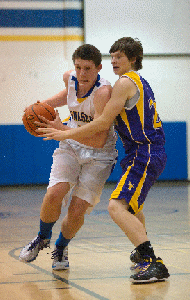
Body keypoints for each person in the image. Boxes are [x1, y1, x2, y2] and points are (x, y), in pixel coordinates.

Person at [37, 37, 170, 283]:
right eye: (113, 56)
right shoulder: (138, 81)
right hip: (140, 152)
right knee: (132, 208)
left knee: (115, 206)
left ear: (133, 60)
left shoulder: (123, 83)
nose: (115, 61)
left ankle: (151, 260)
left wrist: (63, 131)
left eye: (120, 57)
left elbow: (101, 123)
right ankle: (143, 256)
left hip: (145, 151)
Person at [19, 44, 118, 270]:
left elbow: (98, 140)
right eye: (78, 67)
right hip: (71, 144)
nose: (82, 74)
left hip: (99, 154)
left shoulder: (103, 93)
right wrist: (40, 105)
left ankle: (61, 247)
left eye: (87, 69)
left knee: (76, 209)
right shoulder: (70, 78)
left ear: (98, 68)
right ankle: (41, 237)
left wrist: (62, 129)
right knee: (55, 193)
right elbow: (68, 95)